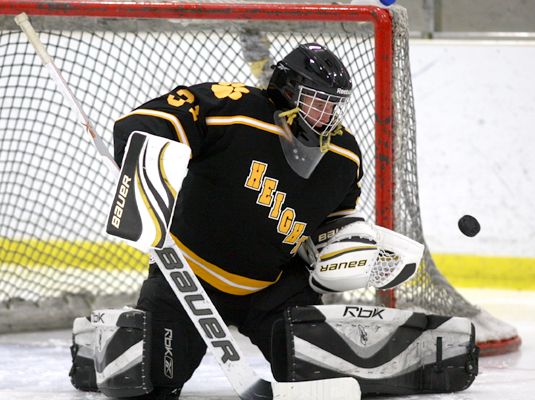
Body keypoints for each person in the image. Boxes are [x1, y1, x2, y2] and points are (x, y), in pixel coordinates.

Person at [114, 43, 362, 399]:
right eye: (317, 101)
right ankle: (99, 346)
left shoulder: (344, 156)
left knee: (321, 380)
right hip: (187, 279)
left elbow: (334, 227)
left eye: (333, 104)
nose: (326, 114)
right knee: (150, 384)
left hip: (274, 289)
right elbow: (145, 123)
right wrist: (146, 166)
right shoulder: (234, 110)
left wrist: (351, 251)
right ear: (288, 90)